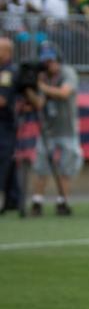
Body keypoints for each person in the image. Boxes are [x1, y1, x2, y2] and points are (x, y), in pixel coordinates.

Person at [30, 43, 83, 216]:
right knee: (41, 167)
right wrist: (30, 89)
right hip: (48, 129)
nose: (49, 64)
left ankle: (62, 202)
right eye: (46, 61)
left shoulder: (67, 73)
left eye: (51, 60)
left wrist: (40, 86)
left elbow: (64, 93)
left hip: (67, 129)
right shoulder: (42, 76)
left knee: (66, 168)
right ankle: (37, 202)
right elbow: (39, 103)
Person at [0, 38, 19, 214]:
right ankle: (13, 198)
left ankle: (9, 197)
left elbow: (2, 100)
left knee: (5, 160)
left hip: (5, 123)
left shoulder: (8, 72)